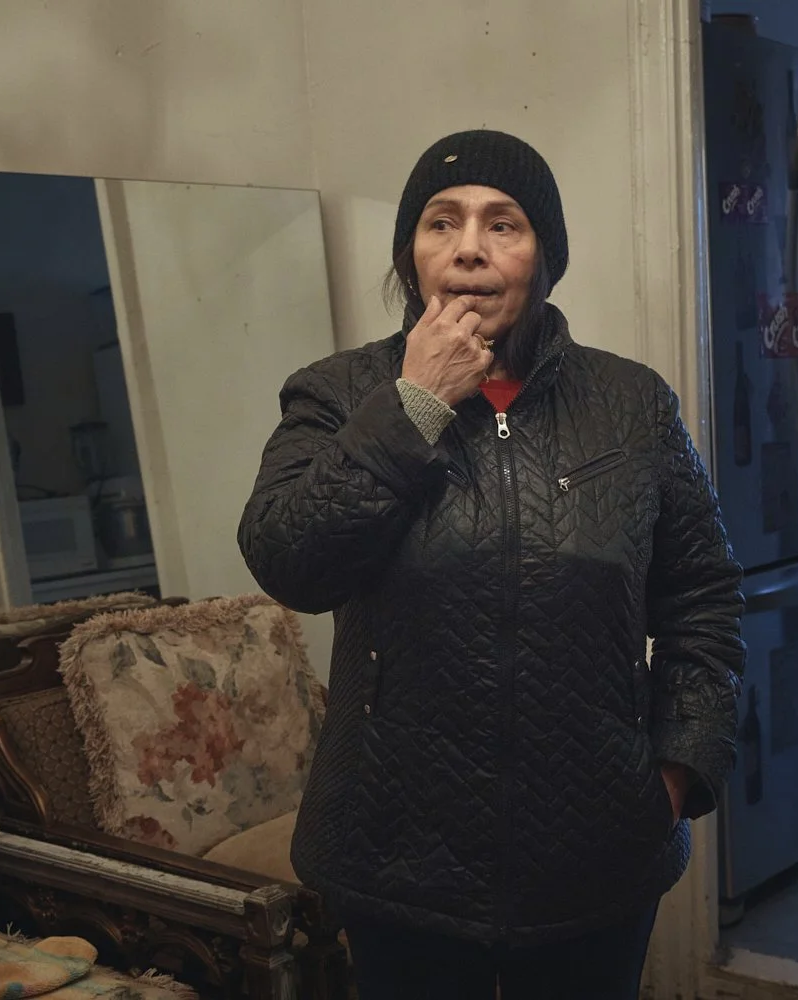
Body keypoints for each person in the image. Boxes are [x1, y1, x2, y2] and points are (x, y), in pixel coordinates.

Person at [239, 129, 744, 999]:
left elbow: (705, 598)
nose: (469, 246)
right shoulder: (335, 393)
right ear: (412, 258)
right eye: (442, 223)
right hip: (395, 864)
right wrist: (415, 403)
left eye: (502, 223)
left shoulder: (631, 404)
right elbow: (291, 559)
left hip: (599, 856)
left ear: (545, 256)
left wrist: (675, 773)